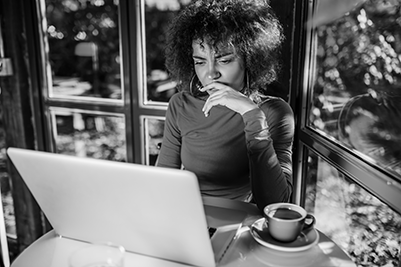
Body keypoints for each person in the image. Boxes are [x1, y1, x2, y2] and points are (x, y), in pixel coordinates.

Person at [157, 0, 295, 212]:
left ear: (250, 59)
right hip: (187, 214)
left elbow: (276, 204)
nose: (210, 74)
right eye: (200, 62)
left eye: (224, 60)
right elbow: (163, 183)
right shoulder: (180, 105)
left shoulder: (274, 112)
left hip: (239, 222)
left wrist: (251, 115)